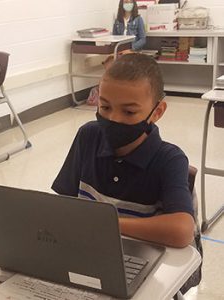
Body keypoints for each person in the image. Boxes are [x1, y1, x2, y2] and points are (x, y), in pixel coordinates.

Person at [52, 53, 202, 292]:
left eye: (129, 112)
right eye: (105, 106)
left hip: (153, 267)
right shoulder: (88, 136)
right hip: (94, 255)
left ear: (157, 111)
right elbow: (66, 200)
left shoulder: (170, 159)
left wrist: (108, 224)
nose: (113, 119)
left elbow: (182, 230)